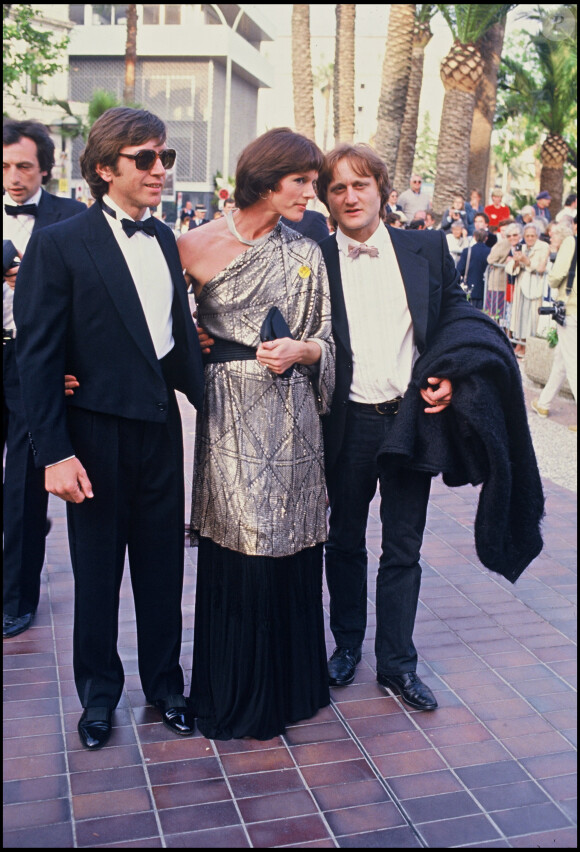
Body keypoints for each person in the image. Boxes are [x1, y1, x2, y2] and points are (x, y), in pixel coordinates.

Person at [315, 142, 544, 712]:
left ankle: (396, 664)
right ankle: (345, 647)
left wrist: (449, 376)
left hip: (409, 423)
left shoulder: (425, 247)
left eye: (360, 184)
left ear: (382, 192)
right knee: (343, 540)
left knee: (403, 547)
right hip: (346, 423)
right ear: (326, 198)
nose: (350, 196)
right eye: (338, 187)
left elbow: (456, 317)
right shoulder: (311, 256)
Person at [13, 107, 205, 750]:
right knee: (96, 575)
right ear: (104, 168)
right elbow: (37, 357)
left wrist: (226, 409)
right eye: (145, 159)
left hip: (158, 433)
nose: (160, 170)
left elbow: (176, 350)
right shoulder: (63, 241)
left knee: (162, 571)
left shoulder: (165, 238)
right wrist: (54, 453)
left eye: (165, 158)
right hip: (92, 436)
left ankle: (166, 686)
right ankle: (98, 696)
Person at [178, 127, 335, 740]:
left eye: (312, 183)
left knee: (289, 541)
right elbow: (161, 326)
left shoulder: (308, 251)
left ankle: (292, 689)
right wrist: (191, 337)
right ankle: (235, 694)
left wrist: (304, 349)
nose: (310, 194)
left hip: (295, 416)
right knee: (240, 537)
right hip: (229, 416)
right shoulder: (191, 245)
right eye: (301, 181)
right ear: (267, 179)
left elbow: (329, 339)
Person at [3, 119, 86, 639]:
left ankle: (16, 598)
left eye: (24, 167)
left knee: (24, 490)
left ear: (46, 170)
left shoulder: (71, 219)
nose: (13, 177)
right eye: (5, 167)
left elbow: (87, 302)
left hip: (31, 365)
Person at [532, 219, 576, 429]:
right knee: (561, 358)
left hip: (570, 308)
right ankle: (543, 403)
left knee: (572, 361)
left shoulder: (570, 242)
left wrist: (552, 281)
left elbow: (557, 274)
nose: (552, 240)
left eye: (553, 237)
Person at [506, 222, 550, 357]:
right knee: (519, 315)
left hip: (535, 285)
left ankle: (528, 346)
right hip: (521, 284)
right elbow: (509, 267)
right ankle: (519, 343)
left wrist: (527, 261)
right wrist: (517, 262)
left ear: (537, 236)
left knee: (531, 317)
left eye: (532, 236)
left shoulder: (543, 247)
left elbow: (541, 267)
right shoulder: (522, 247)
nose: (529, 238)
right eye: (527, 236)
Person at [456, 228, 491, 309]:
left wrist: (462, 282)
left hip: (469, 288)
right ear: (486, 238)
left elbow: (459, 270)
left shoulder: (467, 251)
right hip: (485, 289)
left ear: (474, 237)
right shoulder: (490, 251)